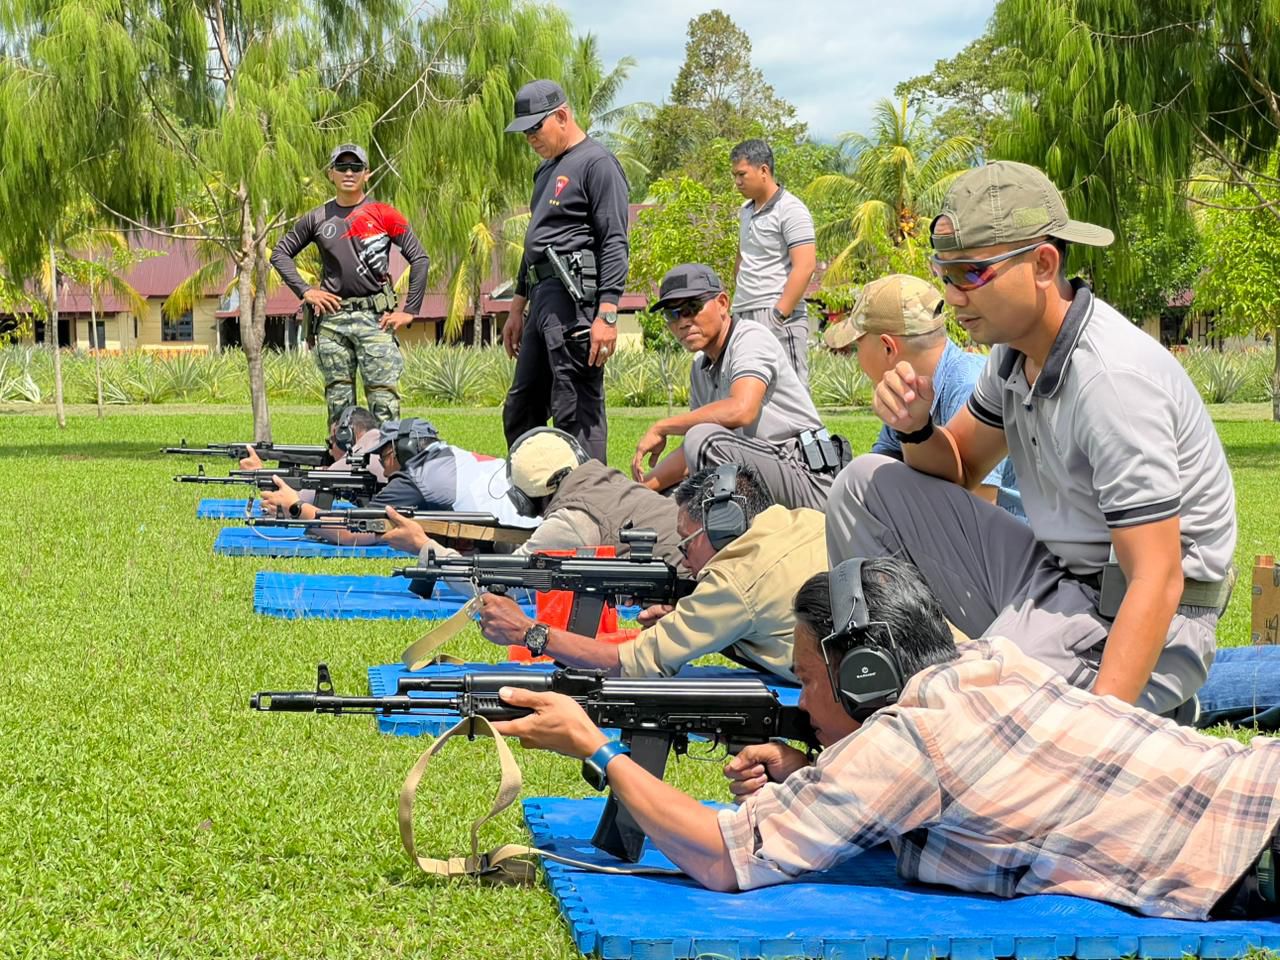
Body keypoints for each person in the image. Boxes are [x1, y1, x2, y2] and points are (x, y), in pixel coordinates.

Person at [490, 557, 1280, 921]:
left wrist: (596, 746)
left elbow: (723, 858)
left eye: (805, 676)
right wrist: (819, 767)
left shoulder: (908, 744)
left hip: (1251, 850)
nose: (799, 694)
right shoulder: (987, 664)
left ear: (864, 674)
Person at [825, 161, 1236, 718]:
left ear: (1043, 263)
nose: (953, 295)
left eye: (971, 273)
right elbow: (960, 467)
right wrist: (916, 427)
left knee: (972, 724)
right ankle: (885, 685)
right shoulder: (1012, 355)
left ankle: (1133, 709)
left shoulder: (1111, 382)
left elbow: (1157, 578)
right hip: (1058, 576)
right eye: (943, 274)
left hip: (1143, 614)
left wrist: (1099, 727)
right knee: (864, 484)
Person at [476, 463, 826, 682]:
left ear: (719, 530)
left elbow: (628, 664)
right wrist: (693, 616)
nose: (683, 557)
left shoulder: (734, 582)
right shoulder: (804, 520)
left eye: (685, 542)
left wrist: (527, 632)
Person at [632, 264, 848, 511]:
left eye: (691, 308)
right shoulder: (700, 367)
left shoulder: (750, 338)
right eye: (672, 314)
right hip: (760, 472)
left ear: (723, 303)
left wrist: (662, 426)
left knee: (702, 441)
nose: (683, 322)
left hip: (807, 478)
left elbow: (741, 410)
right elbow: (692, 455)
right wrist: (639, 489)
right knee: (668, 499)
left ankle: (730, 540)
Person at [500, 80, 630, 462]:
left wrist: (607, 313)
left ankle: (589, 504)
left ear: (562, 115)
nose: (530, 138)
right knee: (522, 408)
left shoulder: (597, 163)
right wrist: (516, 306)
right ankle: (532, 499)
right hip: (540, 298)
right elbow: (533, 243)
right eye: (524, 131)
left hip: (575, 299)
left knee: (575, 408)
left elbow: (614, 241)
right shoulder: (544, 173)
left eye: (535, 127)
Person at [825, 273, 1023, 518]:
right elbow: (879, 471)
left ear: (888, 347)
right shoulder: (906, 393)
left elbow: (979, 512)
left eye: (858, 346)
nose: (857, 358)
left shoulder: (968, 384)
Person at [270, 143, 430, 424]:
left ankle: (387, 465)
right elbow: (280, 253)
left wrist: (410, 311)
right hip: (333, 322)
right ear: (330, 173)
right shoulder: (317, 218)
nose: (348, 172)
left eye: (356, 167)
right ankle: (342, 464)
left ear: (366, 174)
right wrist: (306, 291)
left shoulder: (384, 214)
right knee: (339, 407)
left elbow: (420, 258)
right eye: (341, 167)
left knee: (385, 403)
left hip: (376, 320)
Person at [380, 427, 685, 568]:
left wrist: (424, 546)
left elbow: (499, 587)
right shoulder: (609, 480)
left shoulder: (569, 523)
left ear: (523, 500)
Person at [259, 418, 536, 544]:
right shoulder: (449, 458)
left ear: (401, 450)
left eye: (383, 454)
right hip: (529, 523)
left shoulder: (417, 477)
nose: (380, 462)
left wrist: (297, 507)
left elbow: (355, 532)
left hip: (518, 538)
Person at [730, 139, 817, 387]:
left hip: (776, 312)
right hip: (744, 313)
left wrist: (780, 313)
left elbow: (806, 265)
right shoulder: (745, 211)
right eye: (734, 175)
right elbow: (743, 257)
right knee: (749, 388)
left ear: (764, 171)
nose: (737, 182)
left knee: (791, 391)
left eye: (742, 174)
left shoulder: (791, 209)